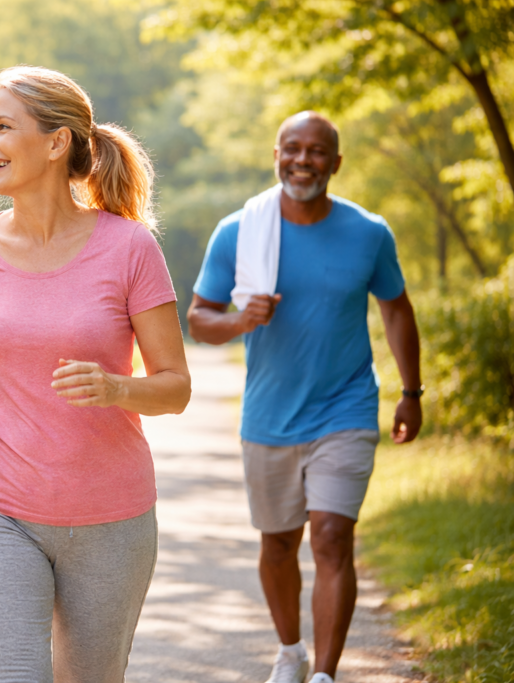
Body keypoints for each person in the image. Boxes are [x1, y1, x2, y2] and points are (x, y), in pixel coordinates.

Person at [0, 66, 192, 683]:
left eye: (3, 127)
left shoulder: (129, 248)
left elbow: (175, 386)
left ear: (57, 141)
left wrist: (118, 389)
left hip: (110, 514)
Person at [187, 112, 423, 683]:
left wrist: (411, 391)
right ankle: (289, 651)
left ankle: (323, 674)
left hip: (346, 407)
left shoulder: (369, 233)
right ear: (276, 155)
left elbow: (396, 309)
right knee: (277, 545)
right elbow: (198, 320)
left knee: (332, 536)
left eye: (317, 151)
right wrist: (242, 319)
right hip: (269, 414)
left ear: (336, 163)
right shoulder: (240, 231)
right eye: (292, 148)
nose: (303, 160)